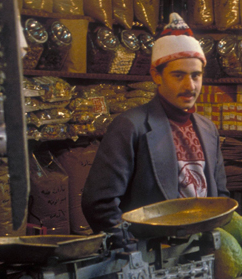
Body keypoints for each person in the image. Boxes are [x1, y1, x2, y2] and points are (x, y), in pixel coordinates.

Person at [82, 13, 228, 238]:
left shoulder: (208, 130)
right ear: (156, 75)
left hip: (200, 253)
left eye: (196, 76)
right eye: (178, 75)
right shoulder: (130, 126)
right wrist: (132, 249)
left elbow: (221, 198)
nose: (190, 86)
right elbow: (99, 204)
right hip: (150, 255)